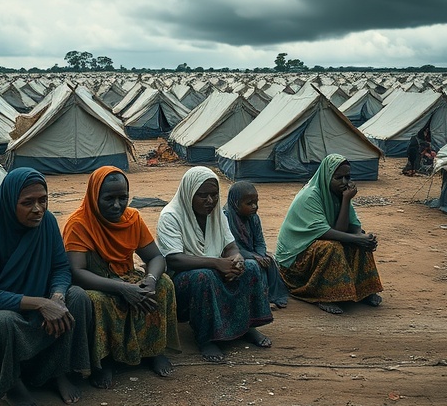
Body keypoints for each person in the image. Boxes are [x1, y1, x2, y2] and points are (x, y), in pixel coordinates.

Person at [0, 168, 92, 406]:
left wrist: (57, 298)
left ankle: (57, 371)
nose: (38, 208)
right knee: (3, 322)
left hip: (33, 306)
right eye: (27, 203)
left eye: (43, 200)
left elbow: (60, 267)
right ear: (10, 202)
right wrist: (41, 304)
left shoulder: (47, 222)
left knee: (78, 297)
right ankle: (10, 384)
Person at [62, 166, 181, 389]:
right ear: (94, 195)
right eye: (109, 198)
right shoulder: (79, 224)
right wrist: (121, 289)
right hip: (96, 281)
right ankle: (104, 361)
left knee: (164, 284)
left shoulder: (132, 218)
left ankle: (153, 350)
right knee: (98, 302)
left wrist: (150, 280)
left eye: (122, 198)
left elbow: (155, 257)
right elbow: (77, 272)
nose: (117, 205)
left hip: (126, 275)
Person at [156, 166, 273, 362]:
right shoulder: (171, 216)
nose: (210, 201)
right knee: (204, 276)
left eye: (214, 195)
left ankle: (247, 326)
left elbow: (231, 247)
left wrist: (237, 260)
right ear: (189, 193)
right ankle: (206, 338)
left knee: (251, 266)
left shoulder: (217, 214)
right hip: (183, 278)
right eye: (203, 195)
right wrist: (217, 263)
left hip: (216, 268)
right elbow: (173, 259)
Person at [275, 154, 383, 314]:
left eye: (347, 177)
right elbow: (329, 232)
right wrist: (356, 237)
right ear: (327, 177)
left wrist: (362, 237)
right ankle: (324, 295)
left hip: (322, 243)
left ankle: (364, 291)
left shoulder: (340, 194)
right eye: (338, 178)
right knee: (330, 247)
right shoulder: (310, 196)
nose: (345, 182)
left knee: (359, 240)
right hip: (294, 261)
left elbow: (350, 227)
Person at [223, 181, 289, 309]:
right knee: (254, 266)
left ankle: (272, 295)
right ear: (235, 203)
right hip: (234, 254)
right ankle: (260, 300)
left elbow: (259, 241)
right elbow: (230, 246)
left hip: (252, 252)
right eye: (249, 203)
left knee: (269, 261)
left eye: (256, 202)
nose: (254, 207)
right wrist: (253, 257)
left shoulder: (254, 217)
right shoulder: (225, 218)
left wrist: (260, 254)